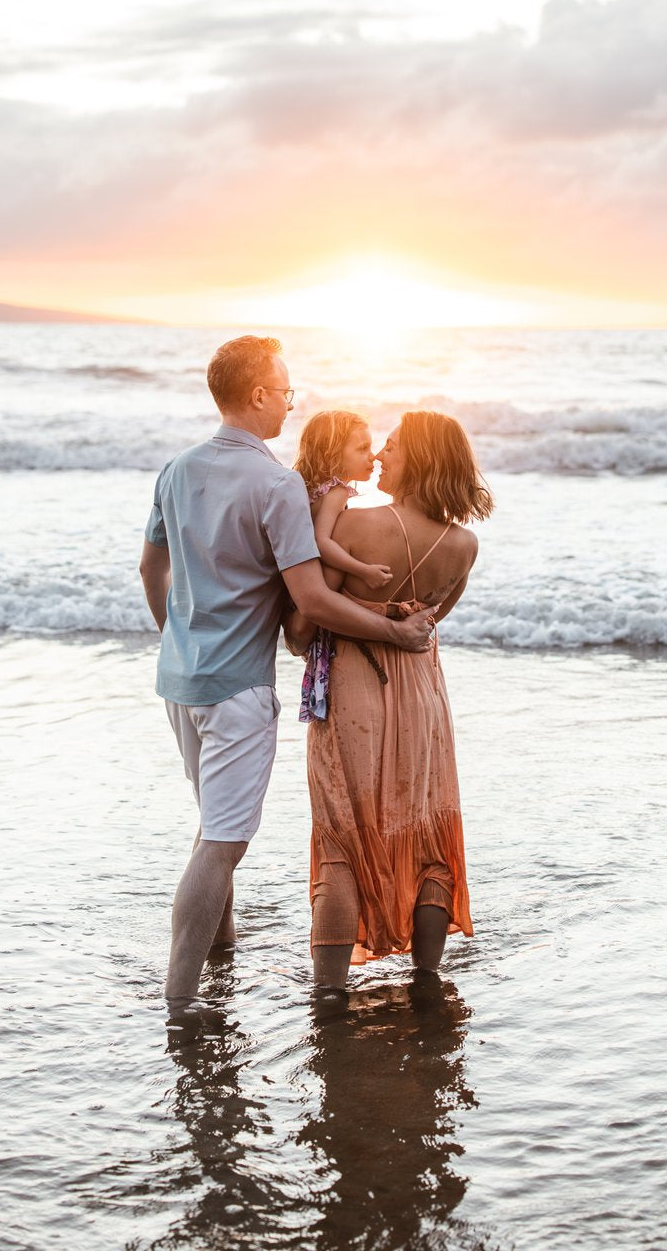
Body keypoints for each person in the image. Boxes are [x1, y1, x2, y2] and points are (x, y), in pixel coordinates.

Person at [138, 337, 438, 1020]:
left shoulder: (177, 470)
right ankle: (180, 1002)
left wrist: (175, 636)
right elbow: (311, 599)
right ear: (258, 396)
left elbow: (150, 571)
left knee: (214, 826)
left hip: (180, 681)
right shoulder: (272, 483)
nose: (290, 401)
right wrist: (394, 631)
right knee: (224, 842)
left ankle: (221, 953)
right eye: (285, 390)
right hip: (238, 688)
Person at [286, 410, 494, 994]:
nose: (380, 455)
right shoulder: (464, 545)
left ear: (420, 461)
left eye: (395, 448)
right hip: (422, 695)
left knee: (342, 835)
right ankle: (427, 978)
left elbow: (303, 624)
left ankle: (328, 994)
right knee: (425, 827)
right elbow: (429, 624)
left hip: (355, 687)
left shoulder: (351, 525)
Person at [293, 410, 393, 722]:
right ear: (332, 454)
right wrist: (363, 570)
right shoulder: (335, 491)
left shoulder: (307, 487)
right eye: (361, 449)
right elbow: (322, 543)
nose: (373, 457)